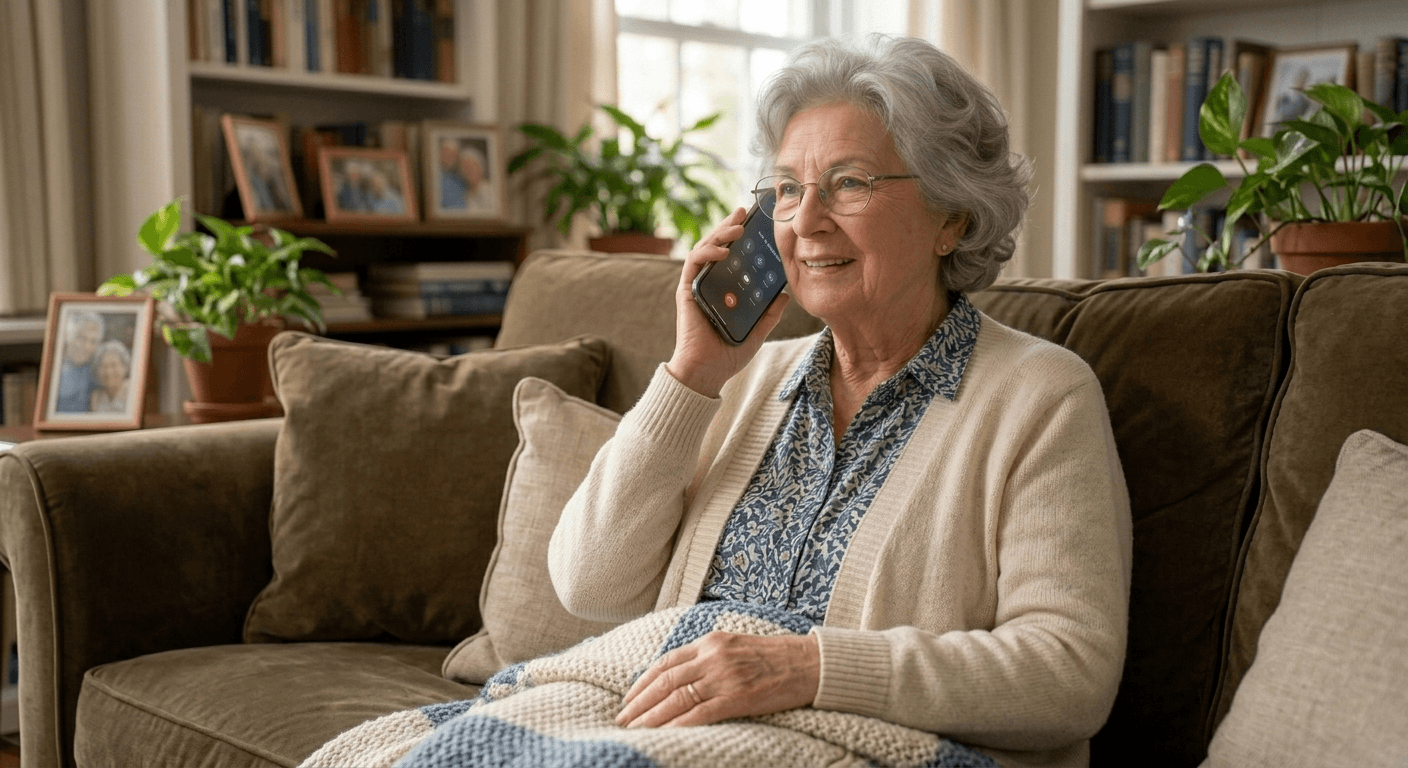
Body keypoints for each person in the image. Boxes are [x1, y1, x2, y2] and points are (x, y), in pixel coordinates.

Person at [547, 36, 1131, 767]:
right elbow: (588, 586)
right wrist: (692, 373)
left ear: (952, 217)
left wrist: (806, 669)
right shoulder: (744, 379)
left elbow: (1067, 675)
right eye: (787, 189)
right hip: (664, 735)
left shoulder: (1042, 396)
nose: (806, 220)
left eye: (849, 183)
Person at [56, 310, 103, 413]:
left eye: (93, 341)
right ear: (70, 336)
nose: (87, 346)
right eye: (82, 338)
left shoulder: (95, 371)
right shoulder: (55, 365)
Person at [88, 340, 132, 413]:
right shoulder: (96, 397)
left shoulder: (132, 391)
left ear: (125, 367)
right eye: (104, 366)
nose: (108, 372)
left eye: (113, 365)